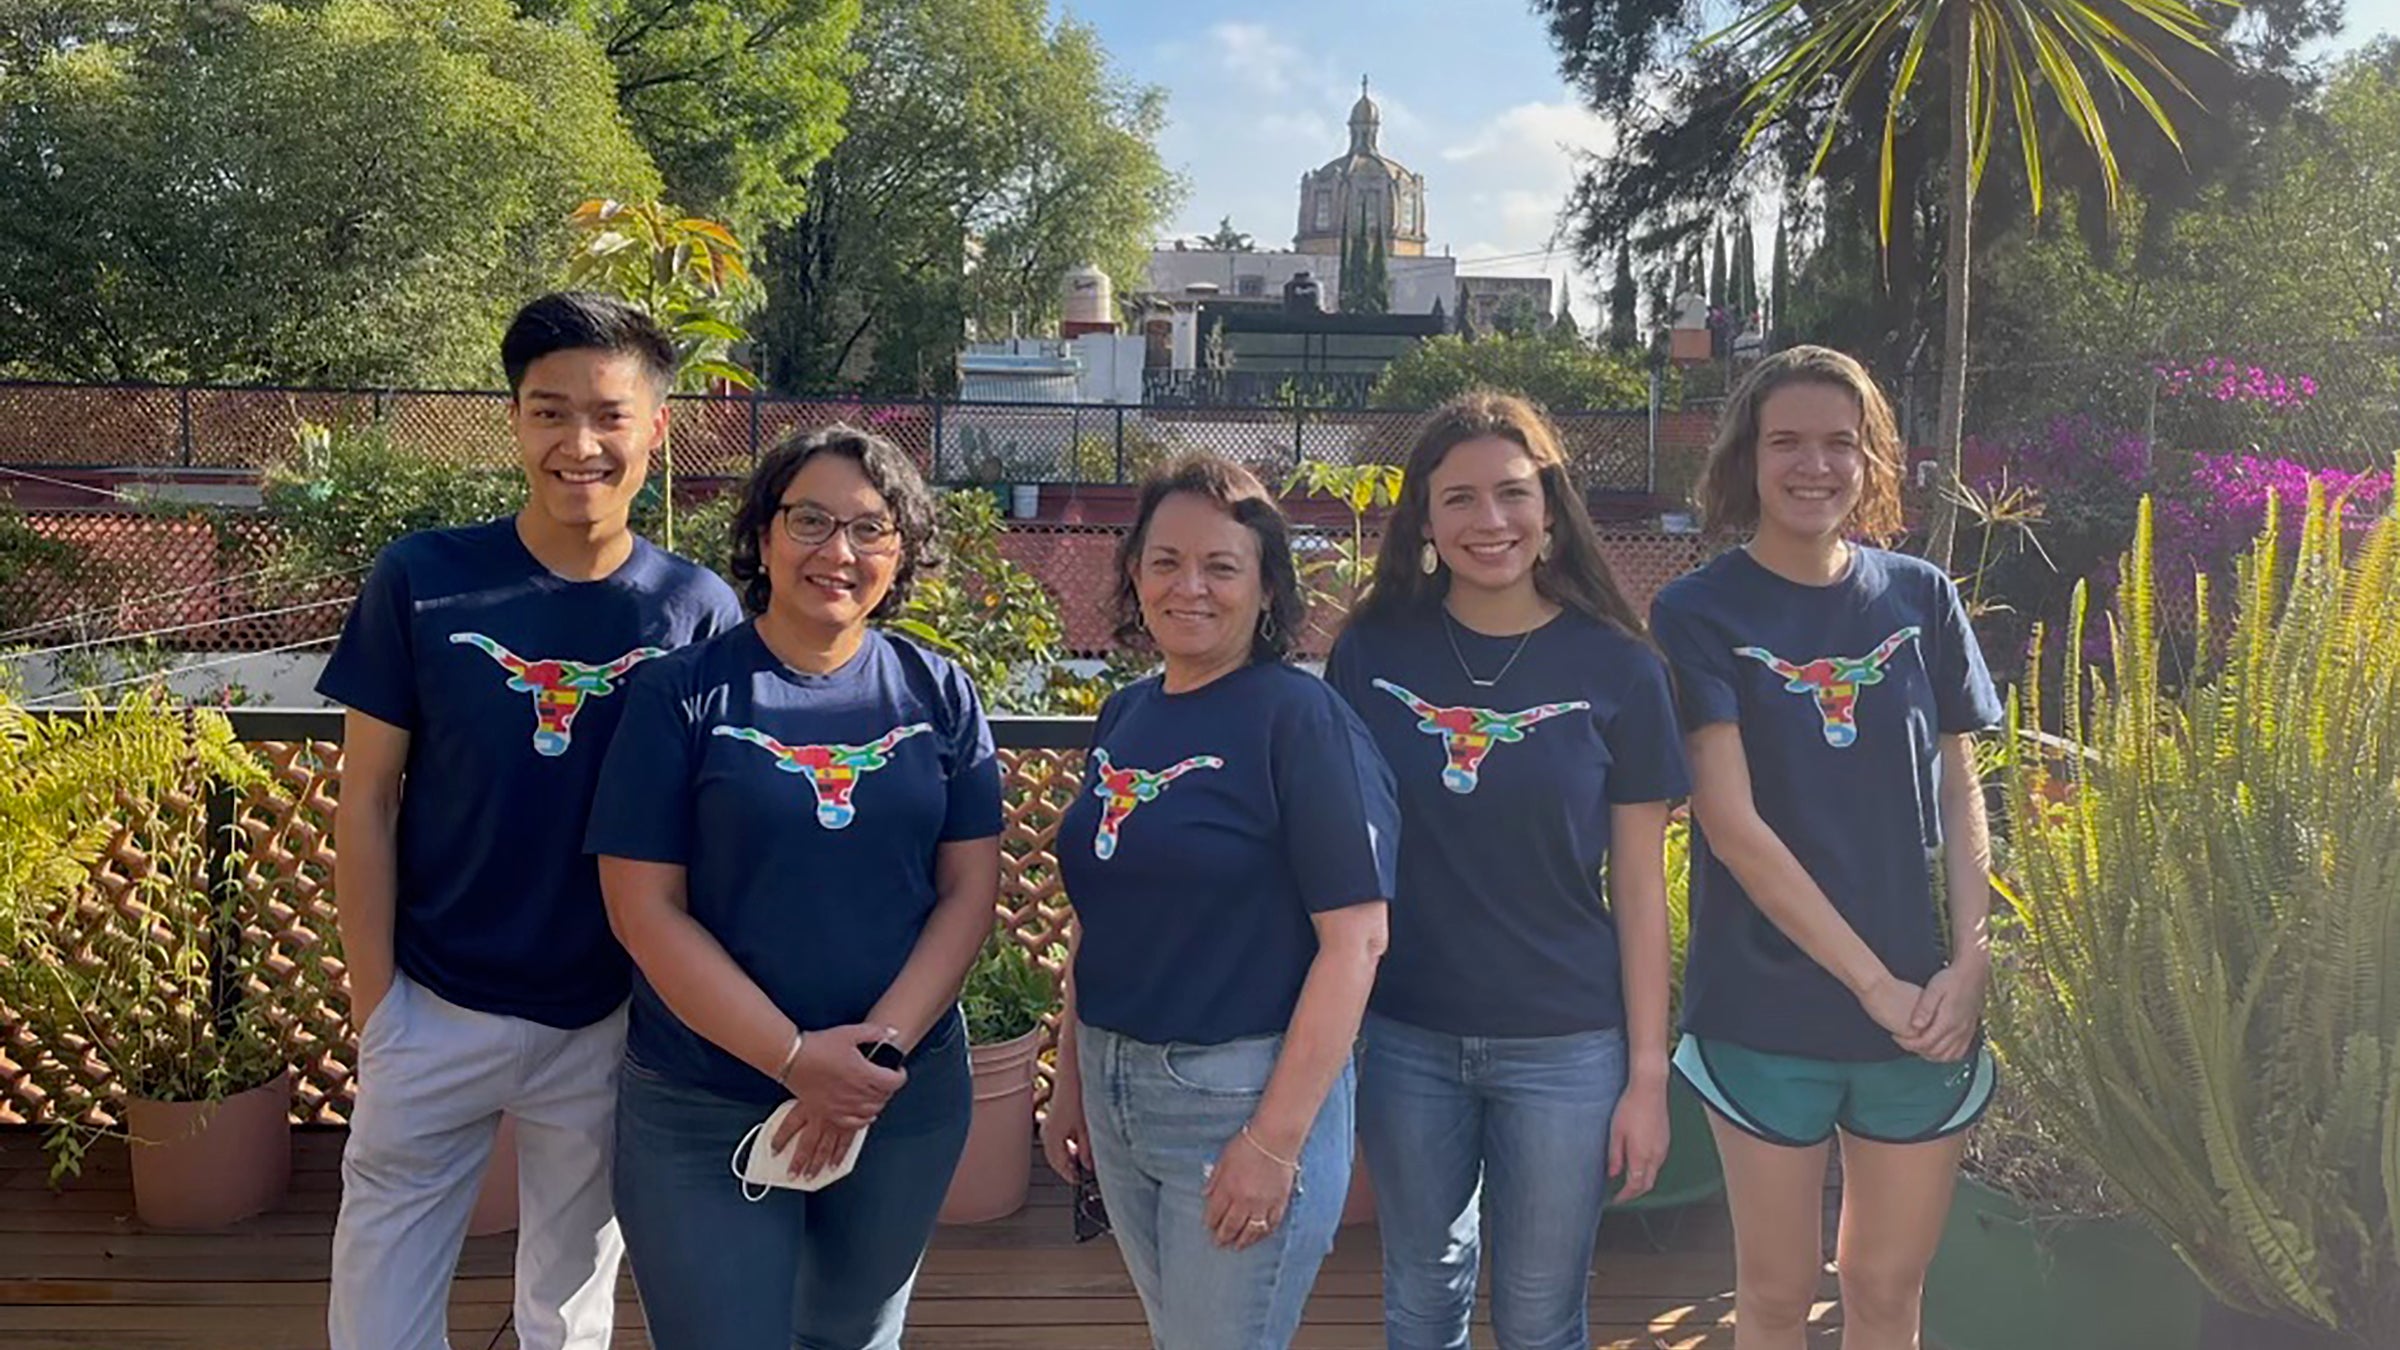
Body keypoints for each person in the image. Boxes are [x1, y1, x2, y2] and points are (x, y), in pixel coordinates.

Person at [323, 292, 743, 1350]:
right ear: (514, 422)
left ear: (656, 425)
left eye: (608, 413)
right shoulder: (423, 580)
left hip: (608, 1019)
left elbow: (720, 825)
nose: (580, 443)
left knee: (571, 1306)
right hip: (433, 999)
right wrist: (381, 1009)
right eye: (549, 412)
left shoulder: (697, 614)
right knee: (380, 1304)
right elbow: (367, 797)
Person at [584, 425, 1002, 1350]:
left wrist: (870, 1062)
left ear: (903, 550)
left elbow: (970, 890)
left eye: (871, 527)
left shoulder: (938, 693)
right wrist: (793, 1058)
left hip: (899, 1102)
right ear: (764, 535)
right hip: (703, 1100)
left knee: (852, 1338)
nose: (839, 552)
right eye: (810, 520)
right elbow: (641, 907)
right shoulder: (683, 695)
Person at [1647, 346, 2002, 1350]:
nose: (1816, 466)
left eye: (1840, 443)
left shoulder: (1921, 596)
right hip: (1765, 1010)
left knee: (1886, 1288)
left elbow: (1959, 784)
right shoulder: (1696, 612)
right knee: (1775, 1292)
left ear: (1873, 458)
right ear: (1746, 459)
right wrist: (1871, 986)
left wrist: (1969, 964)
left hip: (1922, 1014)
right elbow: (1732, 825)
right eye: (1788, 442)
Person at [1325, 391, 1689, 1350]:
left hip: (1566, 1047)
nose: (1490, 522)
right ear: (1426, 520)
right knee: (1420, 1294)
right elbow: (1334, 858)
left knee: (1540, 1314)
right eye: (1461, 500)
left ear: (1551, 509)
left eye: (1513, 495)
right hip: (1406, 1036)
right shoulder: (1371, 653)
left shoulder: (1620, 669)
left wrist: (1647, 1076)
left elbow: (1642, 893)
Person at [1041, 453, 1399, 1350]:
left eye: (1221, 566)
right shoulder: (1125, 715)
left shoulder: (1300, 722)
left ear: (1268, 589)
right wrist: (1071, 1078)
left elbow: (1356, 942)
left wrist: (1274, 1144)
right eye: (1164, 561)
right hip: (1120, 1085)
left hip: (1236, 1096)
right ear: (1133, 574)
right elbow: (1102, 912)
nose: (1188, 586)